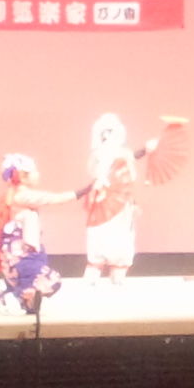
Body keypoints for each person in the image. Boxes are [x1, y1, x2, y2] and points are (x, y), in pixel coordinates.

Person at [0, 153, 90, 315]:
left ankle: (12, 297)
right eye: (34, 171)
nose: (38, 174)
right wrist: (85, 190)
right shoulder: (22, 196)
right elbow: (53, 199)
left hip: (15, 257)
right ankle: (12, 297)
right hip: (23, 259)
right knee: (50, 281)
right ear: (22, 176)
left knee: (33, 294)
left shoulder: (12, 196)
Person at [83, 113, 158, 286]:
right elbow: (98, 171)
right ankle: (93, 280)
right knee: (99, 241)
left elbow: (128, 169)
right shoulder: (98, 155)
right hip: (103, 203)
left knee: (121, 240)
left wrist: (146, 150)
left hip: (122, 204)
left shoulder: (123, 154)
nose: (108, 137)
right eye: (105, 133)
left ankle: (117, 280)